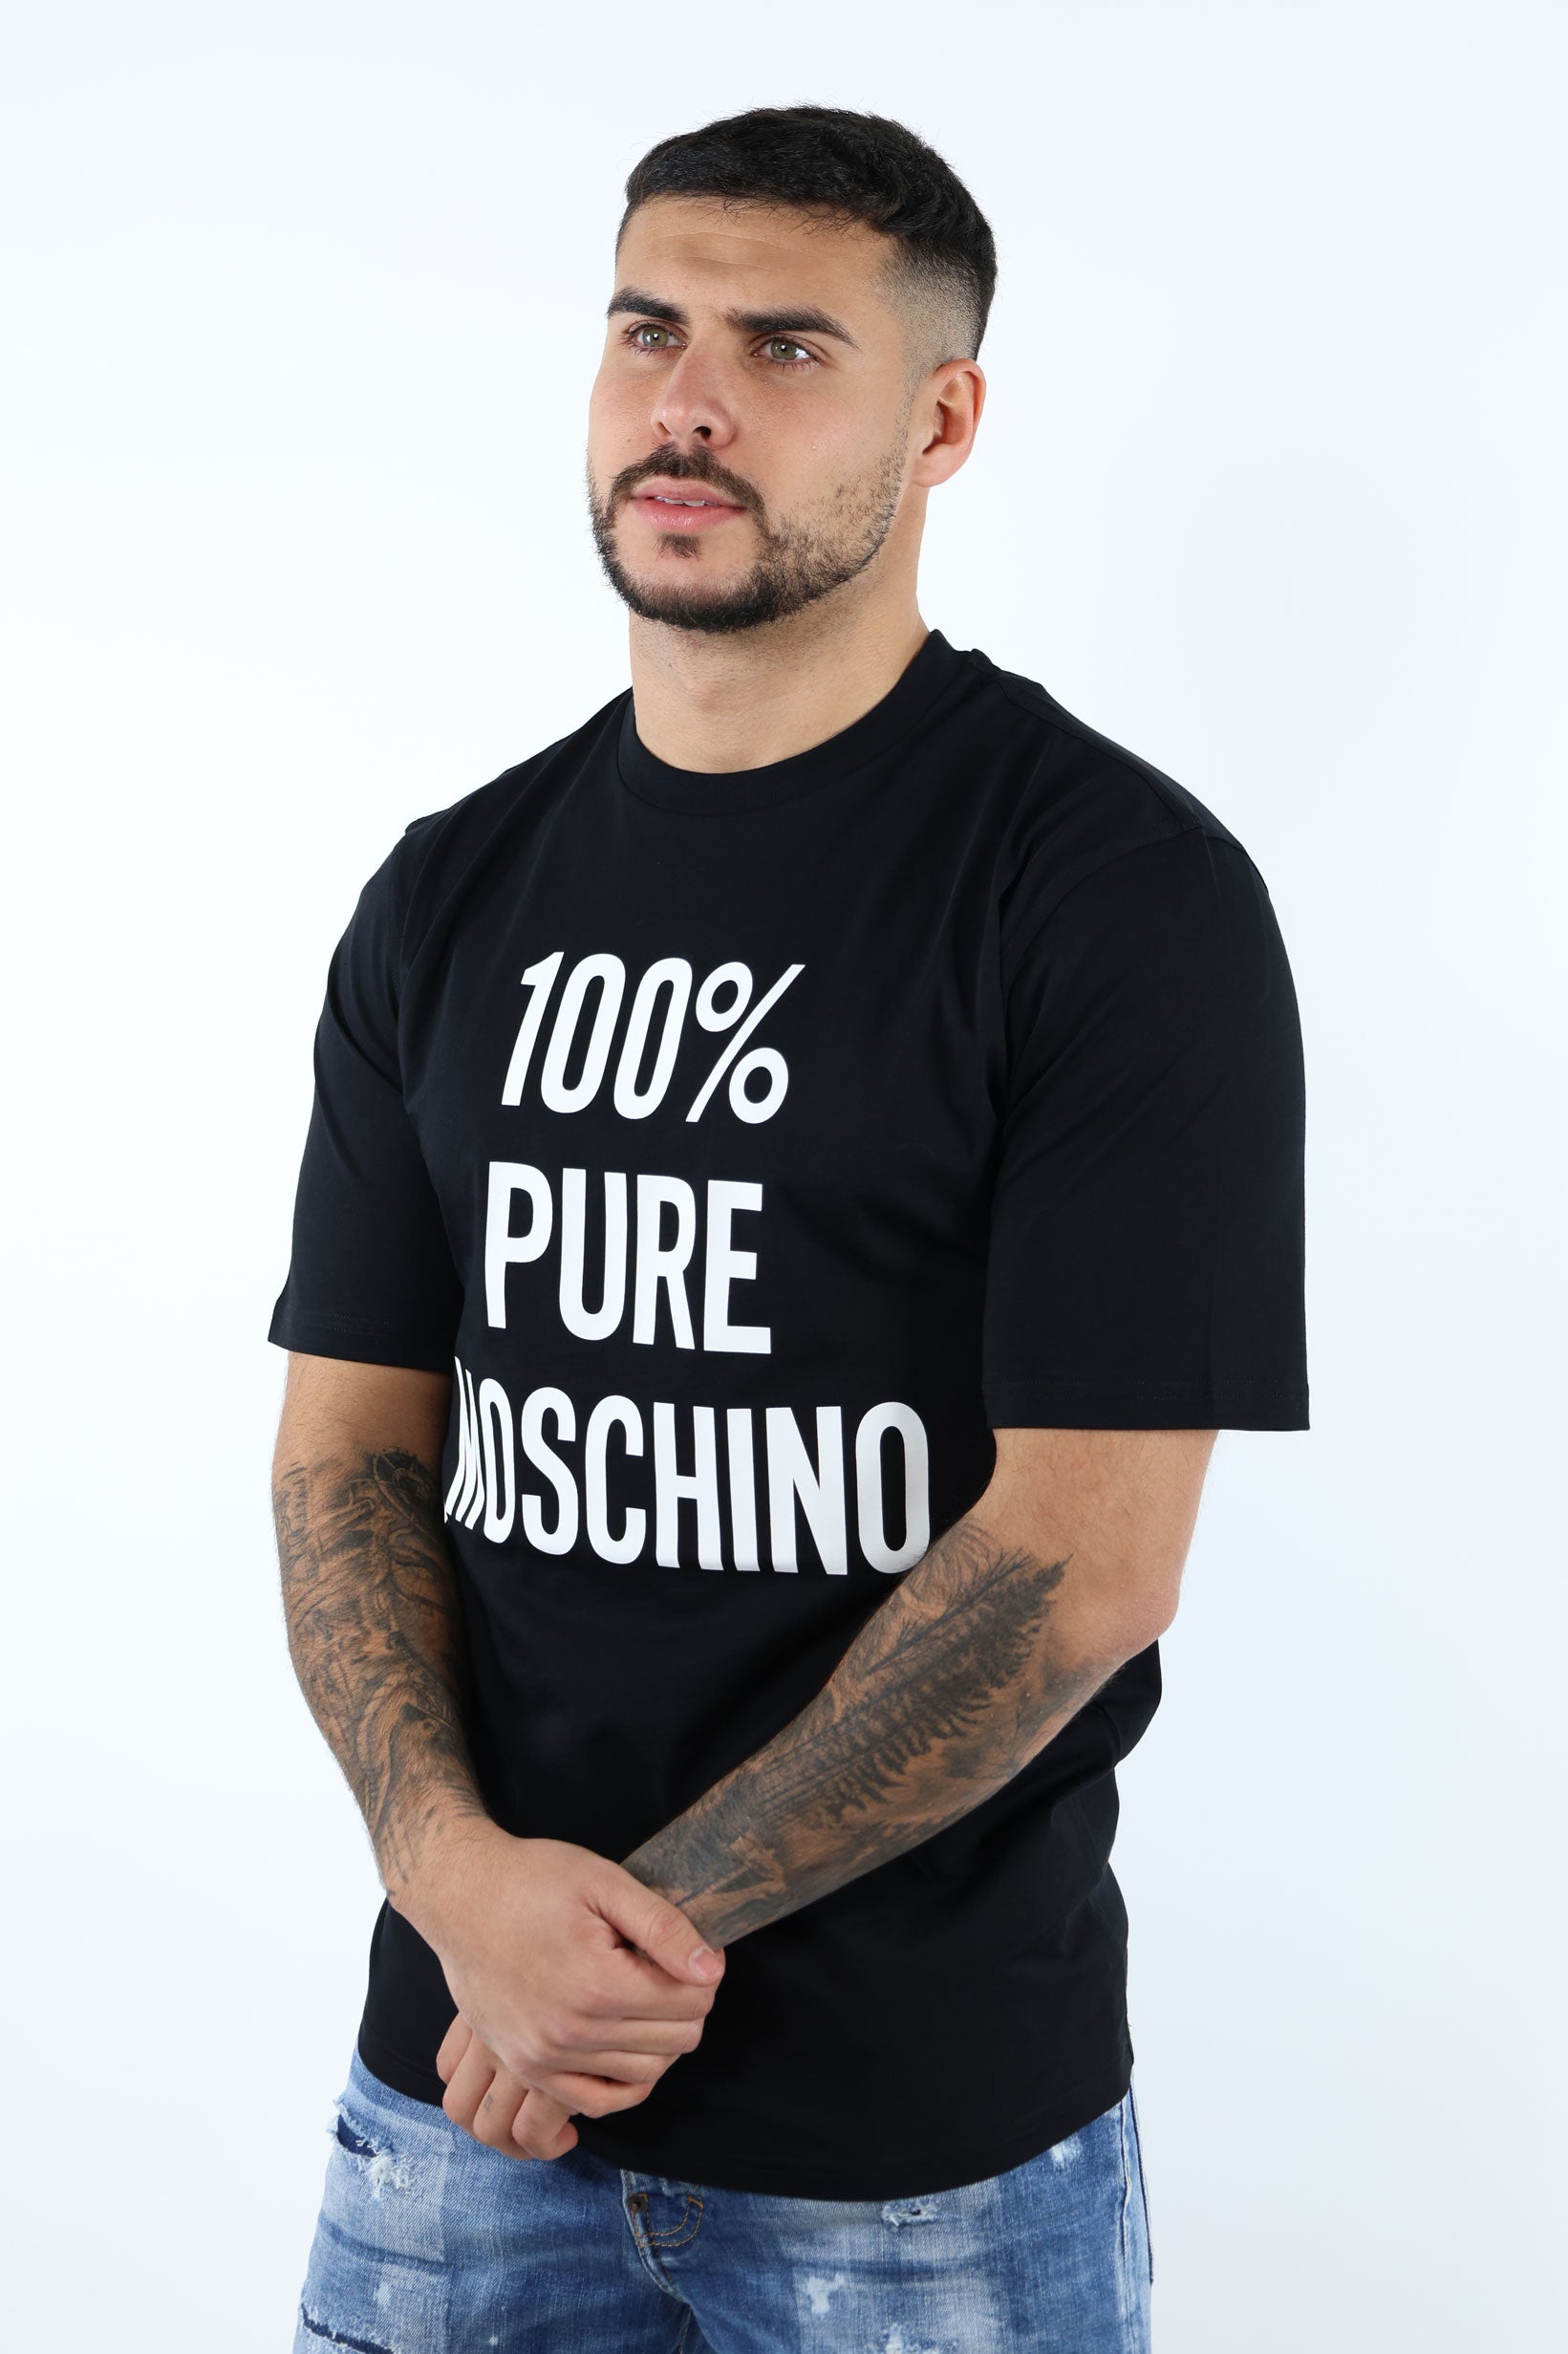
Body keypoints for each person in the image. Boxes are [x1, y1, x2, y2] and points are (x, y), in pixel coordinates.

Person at [268, 102, 1307, 2354]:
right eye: (646, 328)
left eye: (784, 347)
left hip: (917, 2155)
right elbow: (347, 1448)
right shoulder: (449, 893)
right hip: (452, 2099)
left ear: (941, 422)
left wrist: (611, 1952)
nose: (689, 402)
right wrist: (455, 1888)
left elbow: (1080, 1561)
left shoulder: (1109, 896)